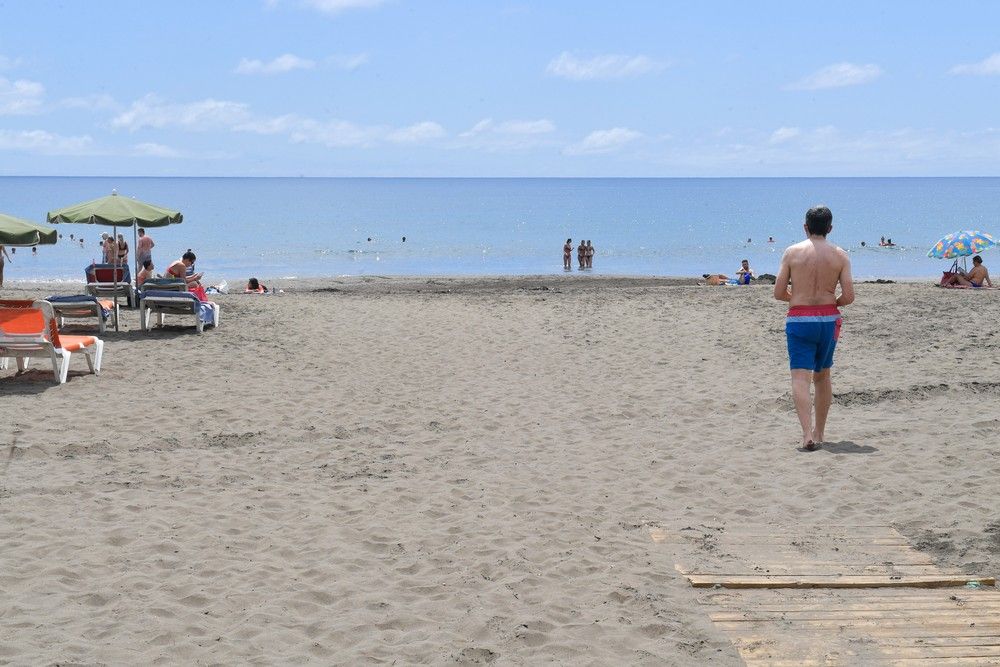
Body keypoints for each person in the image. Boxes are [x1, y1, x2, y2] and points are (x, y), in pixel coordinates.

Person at [774, 205, 854, 451]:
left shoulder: (792, 252)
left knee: (800, 377)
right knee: (823, 376)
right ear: (830, 228)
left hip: (800, 319)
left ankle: (807, 434)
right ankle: (820, 432)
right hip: (829, 320)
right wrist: (831, 302)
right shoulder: (840, 255)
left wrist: (798, 298)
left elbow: (778, 293)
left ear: (805, 227)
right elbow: (849, 296)